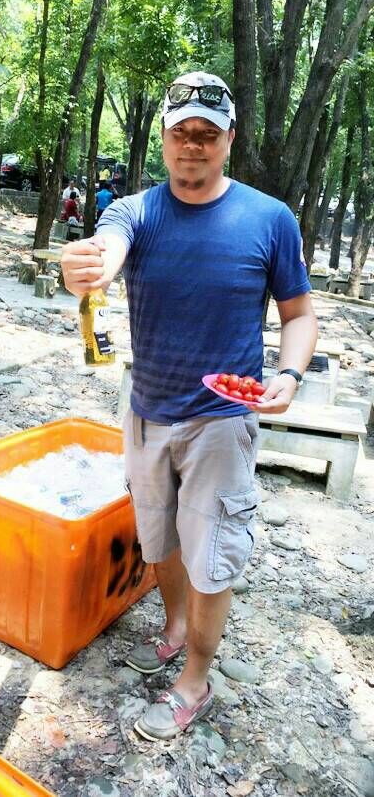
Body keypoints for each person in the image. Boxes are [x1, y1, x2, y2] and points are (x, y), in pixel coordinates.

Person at [61, 71, 318, 742]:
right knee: (160, 542)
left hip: (221, 423)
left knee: (212, 556)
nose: (194, 144)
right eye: (182, 132)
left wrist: (289, 373)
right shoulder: (137, 211)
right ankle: (175, 628)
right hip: (147, 411)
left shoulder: (269, 218)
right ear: (164, 139)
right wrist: (89, 268)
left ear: (230, 138)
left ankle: (195, 681)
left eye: (208, 132)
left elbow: (299, 314)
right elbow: (108, 248)